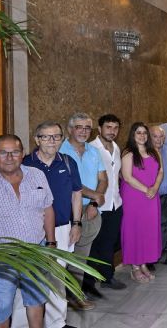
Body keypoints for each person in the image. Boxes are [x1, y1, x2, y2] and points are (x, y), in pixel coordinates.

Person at [0, 134, 55, 328]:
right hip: (0, 258)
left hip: (36, 252)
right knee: (1, 308)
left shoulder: (37, 175)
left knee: (36, 301)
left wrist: (51, 243)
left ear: (23, 153)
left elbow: (48, 208)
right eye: (3, 152)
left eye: (15, 152)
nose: (10, 157)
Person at [21, 124, 82, 328]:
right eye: (46, 137)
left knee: (58, 276)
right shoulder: (25, 164)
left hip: (63, 228)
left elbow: (76, 194)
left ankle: (57, 323)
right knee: (30, 278)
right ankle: (24, 324)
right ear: (37, 140)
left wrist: (76, 223)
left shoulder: (67, 162)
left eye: (56, 137)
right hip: (32, 230)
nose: (52, 141)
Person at [59, 112, 107, 311]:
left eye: (87, 127)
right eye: (79, 127)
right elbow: (71, 183)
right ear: (70, 129)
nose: (84, 131)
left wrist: (94, 203)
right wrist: (95, 195)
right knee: (63, 257)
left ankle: (75, 295)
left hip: (89, 209)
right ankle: (60, 299)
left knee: (81, 256)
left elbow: (103, 179)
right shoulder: (60, 150)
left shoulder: (94, 151)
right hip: (65, 210)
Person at [83, 114, 127, 297]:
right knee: (92, 246)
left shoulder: (116, 148)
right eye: (108, 127)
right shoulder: (90, 149)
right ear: (99, 129)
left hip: (115, 203)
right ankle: (88, 283)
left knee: (109, 243)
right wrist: (92, 203)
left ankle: (107, 277)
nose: (112, 131)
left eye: (115, 128)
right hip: (97, 206)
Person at [120, 122, 163, 281]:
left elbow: (160, 172)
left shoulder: (154, 152)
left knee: (148, 229)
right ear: (133, 134)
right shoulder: (128, 153)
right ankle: (135, 267)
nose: (142, 136)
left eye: (145, 133)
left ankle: (144, 262)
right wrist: (147, 189)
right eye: (138, 132)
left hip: (151, 197)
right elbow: (127, 177)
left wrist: (155, 187)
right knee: (134, 229)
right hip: (134, 197)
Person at [149, 125, 167, 264]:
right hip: (149, 197)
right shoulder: (145, 153)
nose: (158, 140)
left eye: (161, 136)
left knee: (164, 224)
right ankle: (149, 258)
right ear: (149, 137)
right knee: (150, 227)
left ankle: (160, 254)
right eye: (155, 136)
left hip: (164, 195)